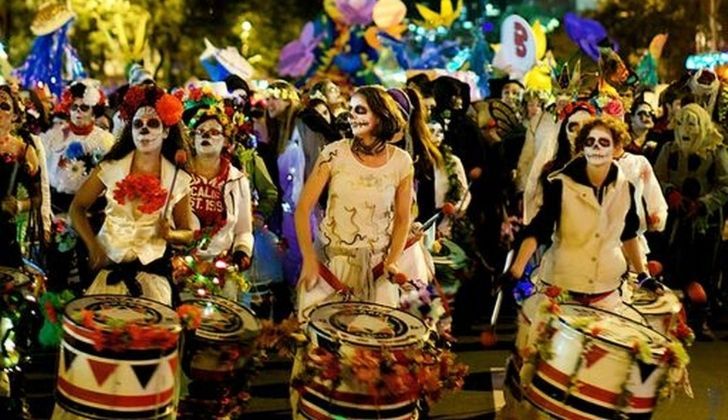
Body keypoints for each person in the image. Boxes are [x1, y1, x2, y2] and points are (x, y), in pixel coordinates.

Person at [295, 85, 413, 319]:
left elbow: (403, 218)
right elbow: (302, 209)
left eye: (361, 110)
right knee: (322, 350)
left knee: (373, 351)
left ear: (380, 116)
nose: (352, 117)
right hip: (329, 266)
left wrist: (391, 261)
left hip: (378, 271)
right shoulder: (333, 153)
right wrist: (309, 259)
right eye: (351, 110)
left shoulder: (402, 161)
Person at [70, 84, 192, 306]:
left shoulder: (178, 179)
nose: (144, 130)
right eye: (138, 124)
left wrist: (171, 235)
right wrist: (93, 245)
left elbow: (189, 233)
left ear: (166, 131)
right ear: (131, 130)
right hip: (109, 275)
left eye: (153, 123)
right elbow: (77, 208)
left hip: (154, 279)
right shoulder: (110, 168)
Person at [654, 103, 728, 339]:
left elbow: (725, 184)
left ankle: (699, 320)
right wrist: (670, 193)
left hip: (705, 224)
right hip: (674, 221)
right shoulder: (669, 149)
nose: (686, 128)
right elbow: (657, 177)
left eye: (692, 123)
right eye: (682, 122)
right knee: (671, 267)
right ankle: (672, 318)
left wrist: (704, 203)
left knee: (703, 270)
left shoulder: (717, 151)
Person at [41, 79, 115, 289]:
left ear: (94, 110)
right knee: (57, 268)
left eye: (84, 107)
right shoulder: (54, 137)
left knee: (90, 267)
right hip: (60, 210)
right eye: (74, 107)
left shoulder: (105, 141)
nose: (79, 112)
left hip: (92, 212)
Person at [183, 87, 254, 299]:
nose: (206, 136)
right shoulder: (178, 176)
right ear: (192, 138)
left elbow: (243, 230)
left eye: (214, 132)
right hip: (181, 269)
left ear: (226, 141)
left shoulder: (237, 179)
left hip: (221, 271)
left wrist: (242, 252)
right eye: (200, 131)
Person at [0, 83, 42, 268]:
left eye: (4, 106)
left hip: (3, 233)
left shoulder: (23, 150)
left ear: (15, 116)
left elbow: (37, 198)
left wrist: (18, 205)